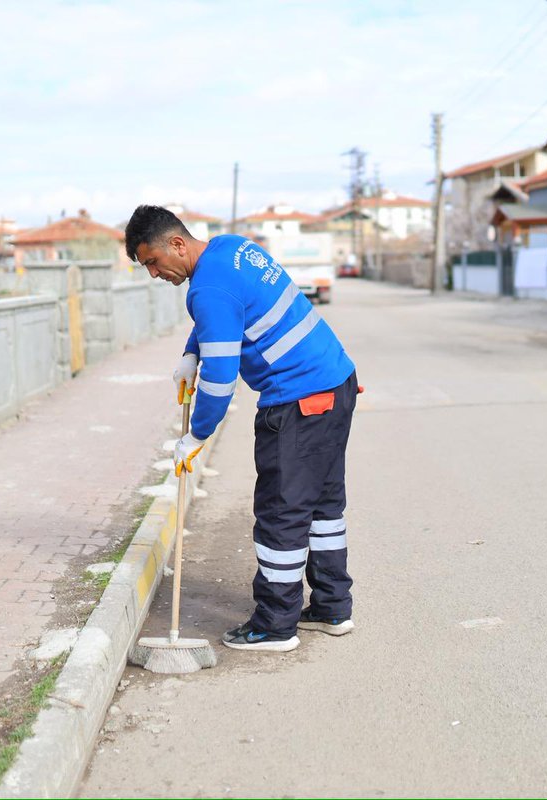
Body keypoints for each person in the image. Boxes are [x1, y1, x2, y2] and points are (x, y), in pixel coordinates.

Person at [124, 205, 358, 653]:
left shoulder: (206, 289)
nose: (154, 273)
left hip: (299, 401)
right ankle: (332, 606)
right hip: (336, 381)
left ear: (176, 244)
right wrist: (192, 350)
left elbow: (220, 378)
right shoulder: (231, 249)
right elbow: (226, 307)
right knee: (323, 505)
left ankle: (275, 625)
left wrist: (196, 436)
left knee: (281, 512)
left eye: (152, 261)